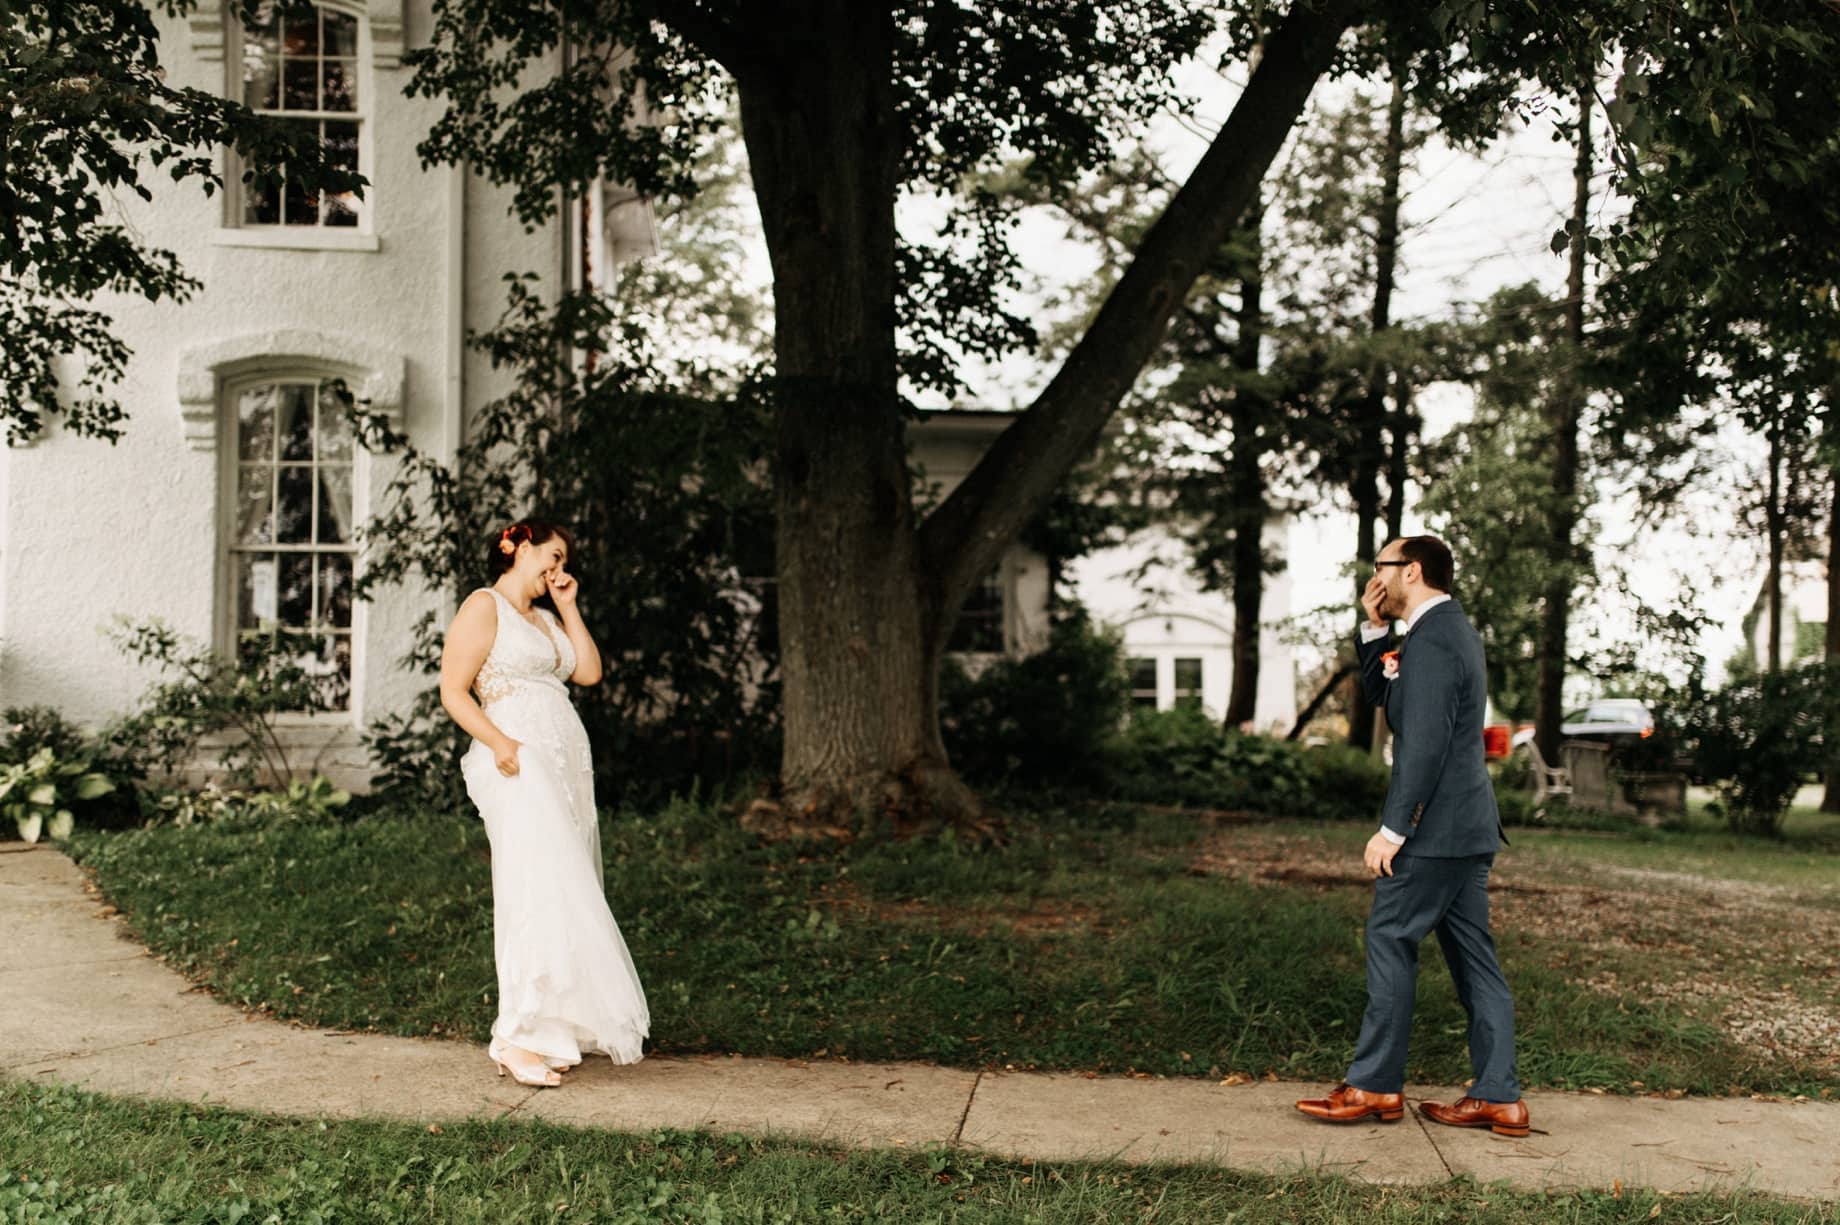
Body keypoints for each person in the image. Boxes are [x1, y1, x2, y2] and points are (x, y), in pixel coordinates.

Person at [1295, 535, 1529, 1137]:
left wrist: (1393, 830)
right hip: (1467, 825)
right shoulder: (1442, 632)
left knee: (1390, 938)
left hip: (1435, 829)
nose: (1376, 577)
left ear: (1413, 571)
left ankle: (1373, 1086)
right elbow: (1385, 698)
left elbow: (1422, 745)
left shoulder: (1433, 640)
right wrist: (1374, 632)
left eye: (1384, 568)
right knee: (1475, 960)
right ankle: (1500, 1097)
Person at [439, 519, 649, 1087]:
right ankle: (515, 1035)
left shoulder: (548, 617)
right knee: (533, 886)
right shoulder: (484, 607)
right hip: (518, 762)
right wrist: (500, 742)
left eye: (563, 562)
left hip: (564, 768)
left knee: (565, 886)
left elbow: (588, 671)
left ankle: (551, 1027)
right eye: (552, 557)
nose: (557, 569)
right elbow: (452, 690)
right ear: (519, 547)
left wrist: (570, 605)